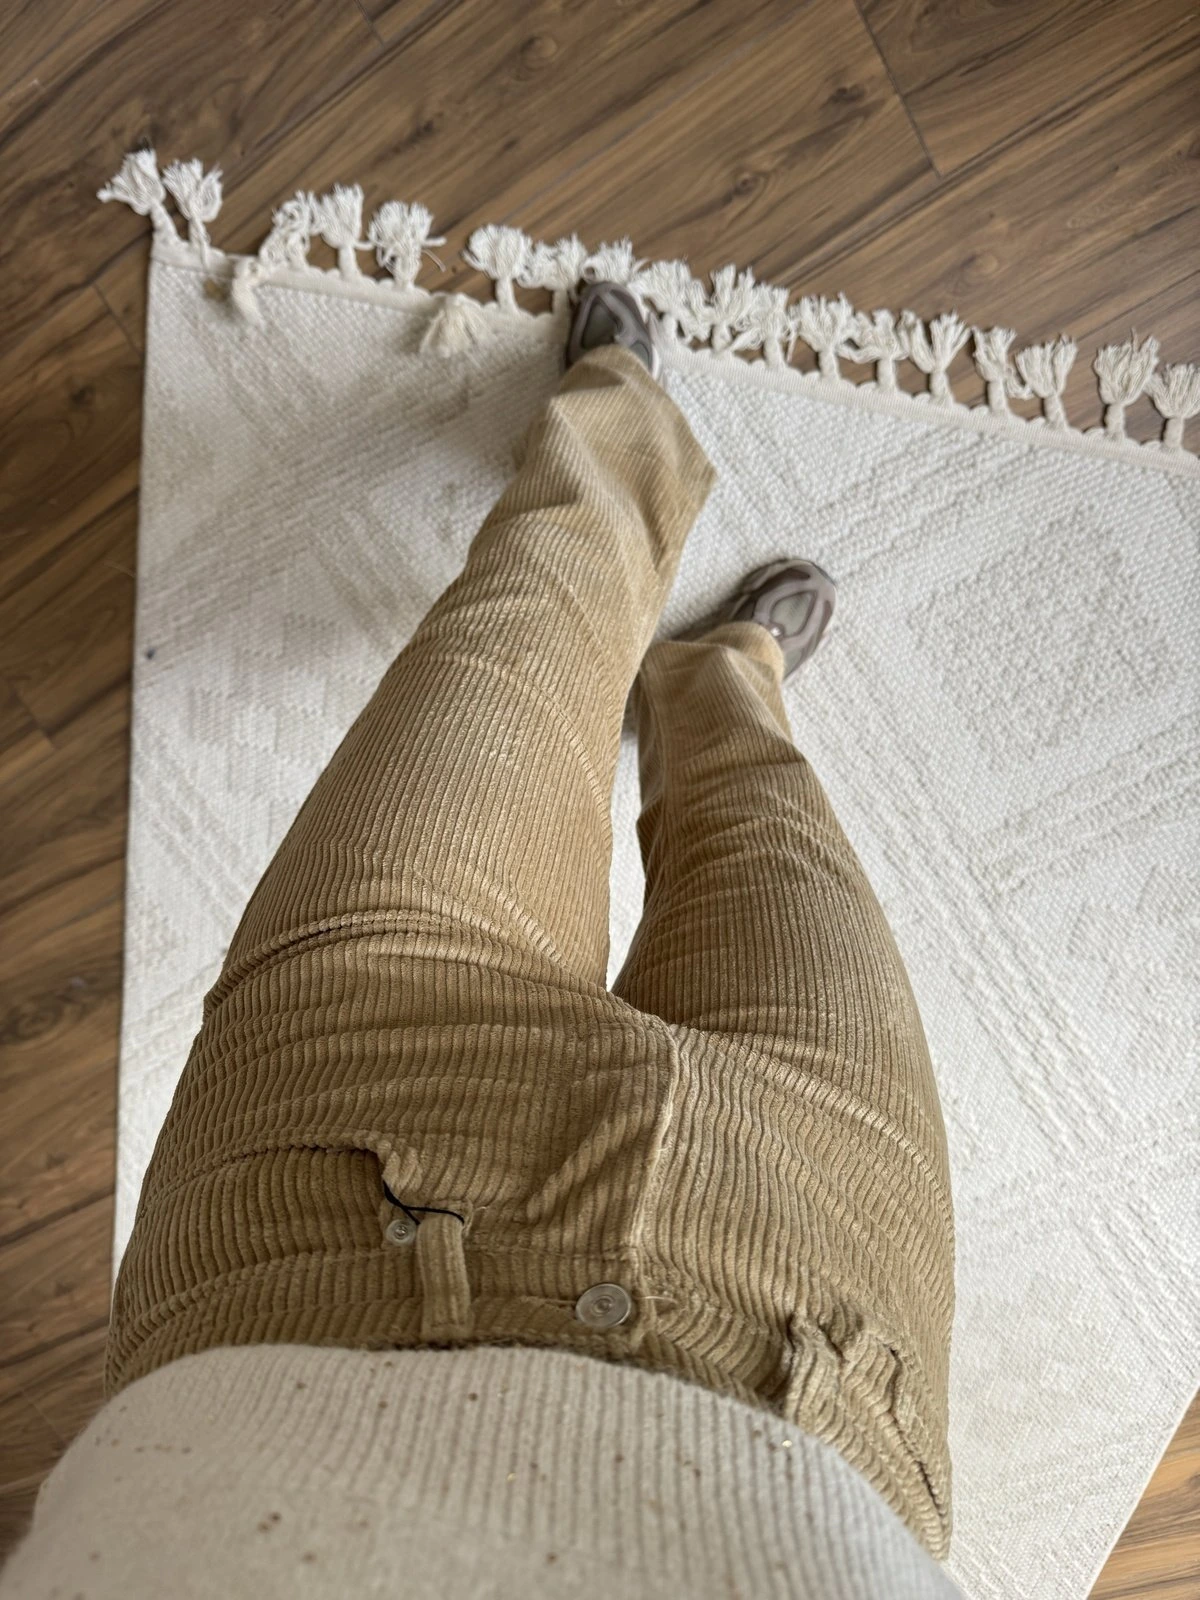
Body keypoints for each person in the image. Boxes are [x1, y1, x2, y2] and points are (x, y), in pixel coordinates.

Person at [0, 284, 958, 1598]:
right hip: (826, 1311)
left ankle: (621, 416)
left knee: (524, 615)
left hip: (336, 1175)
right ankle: (724, 678)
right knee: (767, 817)